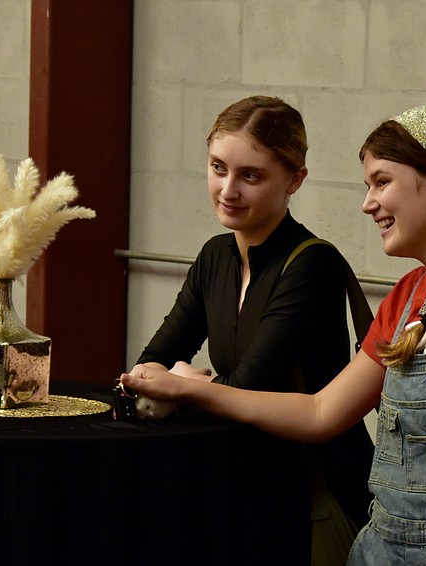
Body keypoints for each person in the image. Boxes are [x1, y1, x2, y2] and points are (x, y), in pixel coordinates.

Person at [122, 100, 426, 565]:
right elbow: (320, 412)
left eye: (382, 182)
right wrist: (185, 388)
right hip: (384, 549)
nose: (367, 203)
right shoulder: (407, 297)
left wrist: (193, 388)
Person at [131, 95, 374, 561]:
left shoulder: (311, 264)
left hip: (313, 495)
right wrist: (190, 383)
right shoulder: (215, 256)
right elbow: (148, 366)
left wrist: (187, 382)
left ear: (295, 179)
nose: (228, 190)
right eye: (218, 167)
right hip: (245, 486)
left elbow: (249, 386)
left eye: (250, 175)